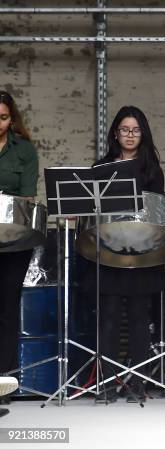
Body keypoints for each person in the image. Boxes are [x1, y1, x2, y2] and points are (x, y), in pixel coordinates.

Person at [93, 106, 165, 403]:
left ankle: (139, 382)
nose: (130, 135)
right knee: (108, 317)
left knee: (139, 317)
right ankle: (107, 382)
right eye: (125, 130)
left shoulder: (151, 169)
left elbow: (157, 210)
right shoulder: (101, 167)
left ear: (143, 133)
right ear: (115, 133)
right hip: (110, 249)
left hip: (140, 252)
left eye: (135, 130)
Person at [0, 91, 39, 417]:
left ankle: (4, 381)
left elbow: (27, 196)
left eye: (2, 117)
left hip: (12, 238)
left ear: (12, 120)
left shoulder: (23, 150)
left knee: (7, 308)